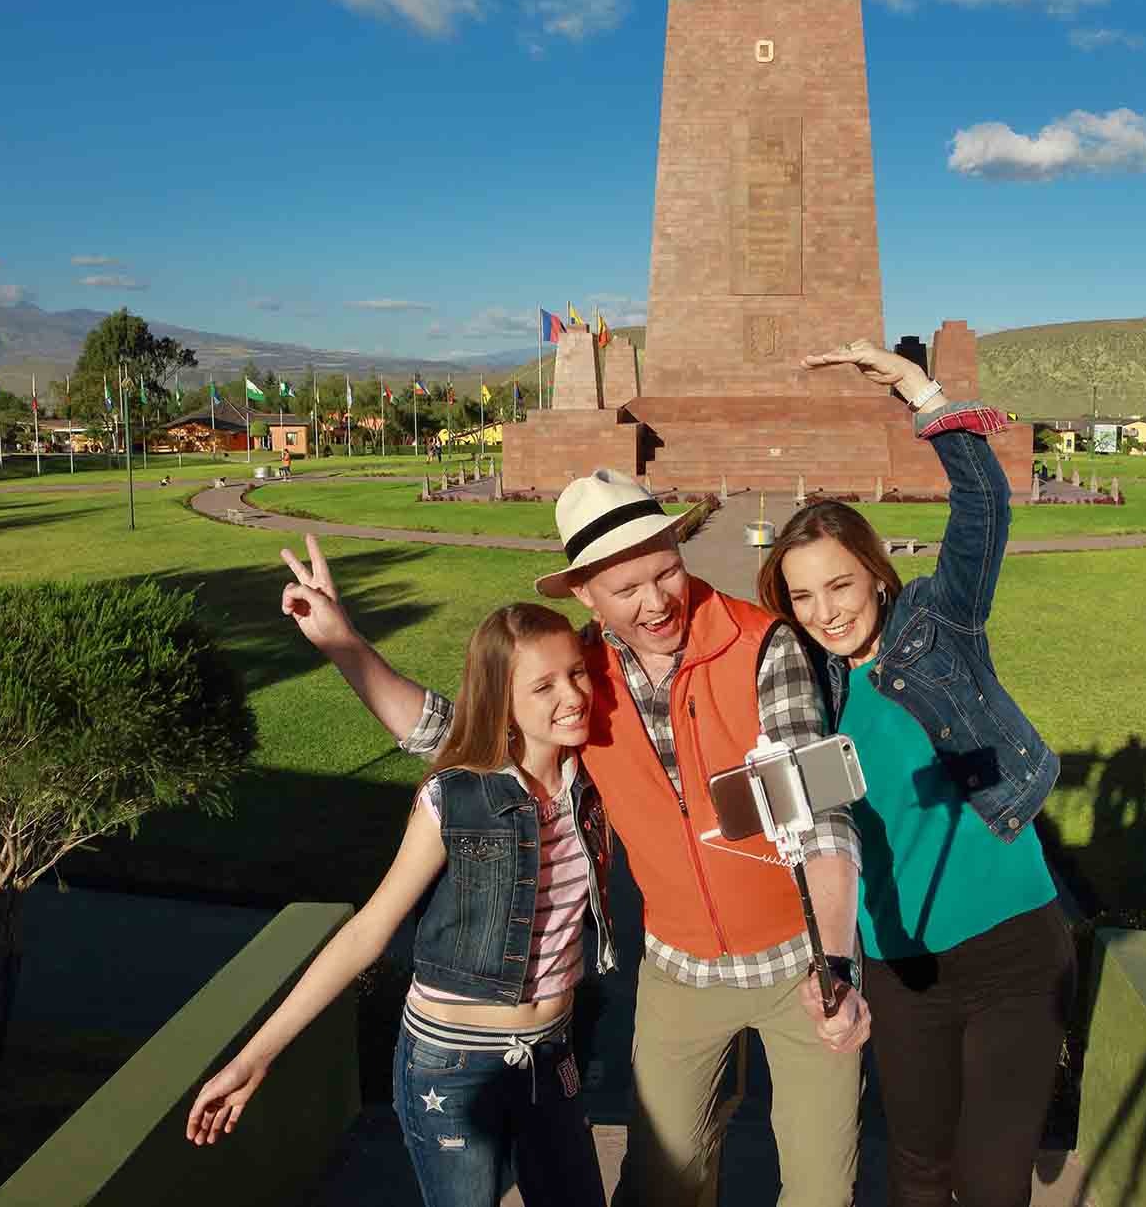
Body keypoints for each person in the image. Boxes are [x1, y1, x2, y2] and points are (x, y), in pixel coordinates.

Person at [275, 480, 869, 1205]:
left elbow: (821, 813)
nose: (657, 602)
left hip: (800, 961)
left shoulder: (762, 645)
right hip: (682, 970)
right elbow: (450, 731)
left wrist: (835, 958)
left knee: (821, 1192)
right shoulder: (585, 681)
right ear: (585, 593)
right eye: (626, 588)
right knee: (660, 1188)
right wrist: (342, 644)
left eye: (667, 571)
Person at [756, 339, 1072, 1207]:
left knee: (991, 1178)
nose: (826, 613)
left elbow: (984, 504)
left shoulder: (937, 623)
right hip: (900, 966)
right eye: (803, 598)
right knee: (921, 1171)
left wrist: (922, 394)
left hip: (1012, 941)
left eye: (841, 586)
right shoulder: (805, 686)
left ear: (876, 575)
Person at [186, 600, 613, 1207]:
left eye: (576, 672)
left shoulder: (596, 782)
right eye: (542, 685)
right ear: (502, 701)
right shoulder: (457, 797)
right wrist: (255, 1057)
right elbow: (369, 930)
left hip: (552, 1052)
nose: (572, 695)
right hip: (451, 1066)